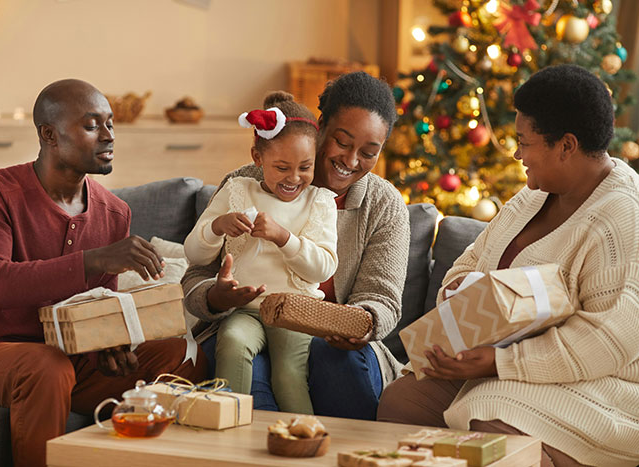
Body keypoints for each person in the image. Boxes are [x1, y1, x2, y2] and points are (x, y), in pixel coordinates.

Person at [377, 64, 639, 467]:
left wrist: (501, 363)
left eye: (524, 141)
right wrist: (462, 293)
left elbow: (606, 342)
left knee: (491, 416)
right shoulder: (534, 194)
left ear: (566, 146)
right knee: (403, 400)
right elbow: (471, 260)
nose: (517, 154)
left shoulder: (622, 216)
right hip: (493, 360)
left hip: (597, 380)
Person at [0, 79, 207, 467]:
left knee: (184, 353)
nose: (108, 135)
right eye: (92, 125)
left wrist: (109, 346)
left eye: (110, 124)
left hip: (70, 360)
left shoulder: (115, 212)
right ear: (49, 134)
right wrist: (94, 261)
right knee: (46, 367)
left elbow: (94, 307)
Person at [183, 71, 409, 419]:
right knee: (252, 386)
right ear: (320, 129)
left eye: (368, 152)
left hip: (334, 342)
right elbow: (198, 268)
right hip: (244, 322)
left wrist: (358, 322)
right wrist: (215, 296)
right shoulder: (245, 185)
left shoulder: (384, 204)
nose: (351, 160)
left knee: (335, 363)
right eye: (342, 142)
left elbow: (382, 298)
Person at [184, 92, 337, 414]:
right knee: (233, 343)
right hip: (245, 310)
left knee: (289, 374)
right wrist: (217, 227)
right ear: (257, 157)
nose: (294, 178)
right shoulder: (237, 190)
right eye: (281, 167)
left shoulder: (319, 201)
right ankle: (225, 432)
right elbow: (194, 254)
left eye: (304, 167)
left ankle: (303, 439)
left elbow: (322, 269)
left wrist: (285, 238)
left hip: (295, 310)